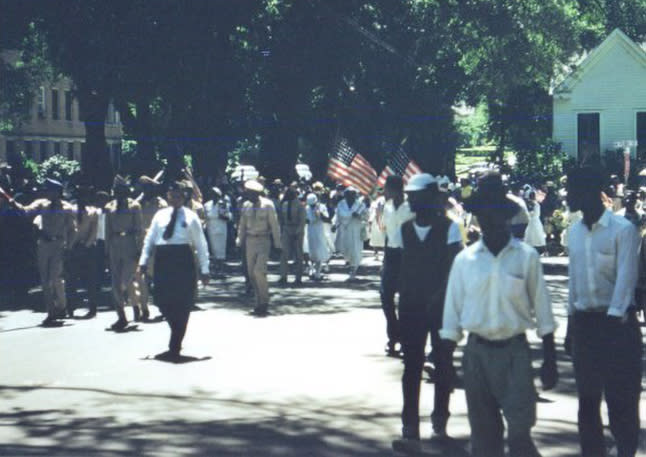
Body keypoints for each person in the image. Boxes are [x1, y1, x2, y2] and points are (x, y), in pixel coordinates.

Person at [441, 171, 558, 457]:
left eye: (496, 213)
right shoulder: (465, 261)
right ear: (479, 217)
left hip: (515, 353)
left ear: (506, 216)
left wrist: (550, 360)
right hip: (476, 354)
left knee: (520, 435)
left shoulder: (526, 257)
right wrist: (445, 363)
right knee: (484, 438)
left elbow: (543, 312)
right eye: (484, 213)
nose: (490, 220)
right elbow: (451, 317)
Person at [566, 166, 642, 457]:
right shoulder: (573, 232)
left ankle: (624, 452)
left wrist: (611, 323)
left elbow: (626, 280)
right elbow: (574, 281)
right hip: (585, 324)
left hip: (617, 327)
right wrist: (572, 325)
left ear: (588, 193)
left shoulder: (623, 230)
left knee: (620, 401)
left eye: (572, 192)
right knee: (587, 404)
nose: (568, 197)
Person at [391, 174, 463, 454]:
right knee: (411, 366)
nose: (411, 200)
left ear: (431, 198)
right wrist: (390, 301)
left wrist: (441, 298)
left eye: (416, 196)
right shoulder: (404, 230)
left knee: (443, 364)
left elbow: (454, 268)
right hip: (410, 307)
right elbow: (395, 267)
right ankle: (409, 425)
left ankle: (440, 422)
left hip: (442, 307)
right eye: (410, 196)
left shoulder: (450, 228)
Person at [137, 180, 210, 361]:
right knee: (162, 300)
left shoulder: (191, 217)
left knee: (183, 302)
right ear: (168, 197)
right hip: (163, 258)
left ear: (184, 197)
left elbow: (201, 244)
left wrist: (205, 268)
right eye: (172, 196)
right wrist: (143, 261)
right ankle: (175, 330)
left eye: (178, 196)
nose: (175, 199)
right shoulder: (160, 216)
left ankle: (174, 345)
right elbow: (149, 239)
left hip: (182, 258)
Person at [6, 178, 77, 325]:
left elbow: (72, 229)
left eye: (50, 190)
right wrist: (9, 199)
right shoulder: (41, 204)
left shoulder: (67, 208)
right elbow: (25, 211)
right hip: (44, 244)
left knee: (56, 278)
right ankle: (51, 312)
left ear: (57, 192)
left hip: (58, 244)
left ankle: (62, 306)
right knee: (45, 280)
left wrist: (69, 247)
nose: (47, 193)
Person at [380, 176, 415, 356]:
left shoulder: (411, 208)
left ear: (395, 189)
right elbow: (387, 232)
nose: (384, 191)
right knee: (386, 297)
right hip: (391, 254)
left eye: (386, 188)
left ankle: (405, 339)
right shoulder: (386, 207)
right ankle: (393, 336)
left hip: (406, 256)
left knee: (405, 301)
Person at [104, 175, 144, 330]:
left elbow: (139, 230)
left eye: (122, 190)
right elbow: (107, 230)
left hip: (129, 245)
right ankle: (121, 316)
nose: (119, 193)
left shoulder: (134, 206)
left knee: (125, 281)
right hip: (114, 245)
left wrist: (140, 250)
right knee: (115, 283)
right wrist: (106, 251)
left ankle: (135, 304)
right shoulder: (109, 207)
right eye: (117, 190)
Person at [237, 180, 281, 316]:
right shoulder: (246, 205)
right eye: (248, 193)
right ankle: (258, 302)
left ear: (257, 193)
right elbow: (242, 225)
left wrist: (277, 244)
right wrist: (239, 241)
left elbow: (274, 225)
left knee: (259, 271)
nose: (249, 196)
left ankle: (264, 302)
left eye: (251, 193)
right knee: (251, 274)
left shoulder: (268, 205)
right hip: (250, 241)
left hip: (263, 240)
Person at [134, 176, 168, 320]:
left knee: (159, 278)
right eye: (144, 187)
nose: (147, 190)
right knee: (141, 278)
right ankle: (144, 308)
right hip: (141, 245)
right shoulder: (136, 204)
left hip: (158, 245)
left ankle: (163, 306)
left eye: (149, 187)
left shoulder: (162, 204)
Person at [67, 184, 101, 318]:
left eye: (85, 195)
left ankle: (92, 307)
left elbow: (94, 231)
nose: (83, 198)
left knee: (90, 280)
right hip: (73, 248)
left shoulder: (93, 212)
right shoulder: (71, 210)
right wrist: (70, 246)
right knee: (71, 280)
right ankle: (70, 307)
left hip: (88, 249)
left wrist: (85, 245)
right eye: (80, 195)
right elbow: (69, 229)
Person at [335, 187, 367, 281]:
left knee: (356, 250)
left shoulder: (360, 205)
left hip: (356, 230)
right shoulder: (341, 204)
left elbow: (366, 216)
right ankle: (351, 266)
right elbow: (339, 215)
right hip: (345, 230)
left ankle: (353, 271)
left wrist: (359, 216)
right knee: (346, 250)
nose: (350, 196)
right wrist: (336, 224)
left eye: (352, 194)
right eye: (348, 194)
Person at [279, 183, 306, 285]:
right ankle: (283, 276)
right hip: (286, 229)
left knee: (298, 254)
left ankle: (298, 277)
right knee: (284, 253)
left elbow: (302, 220)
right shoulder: (284, 204)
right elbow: (281, 218)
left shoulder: (299, 205)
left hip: (297, 229)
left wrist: (298, 231)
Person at [204, 186, 231, 278]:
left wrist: (222, 214)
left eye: (216, 194)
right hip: (211, 228)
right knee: (213, 249)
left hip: (221, 227)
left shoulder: (223, 204)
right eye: (212, 194)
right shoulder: (207, 205)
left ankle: (222, 270)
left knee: (221, 249)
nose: (214, 196)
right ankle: (215, 270)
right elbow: (205, 217)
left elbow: (228, 217)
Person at [305, 193, 330, 280]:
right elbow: (305, 220)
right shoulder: (306, 208)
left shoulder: (322, 207)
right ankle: (311, 268)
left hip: (319, 231)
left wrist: (320, 214)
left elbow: (327, 219)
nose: (312, 206)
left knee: (319, 251)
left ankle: (318, 273)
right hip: (310, 231)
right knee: (310, 251)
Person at [369, 193, 386, 260]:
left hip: (381, 220)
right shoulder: (375, 202)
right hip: (376, 221)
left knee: (383, 239)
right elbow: (375, 212)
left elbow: (379, 210)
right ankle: (376, 254)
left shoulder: (382, 199)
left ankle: (383, 255)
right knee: (375, 239)